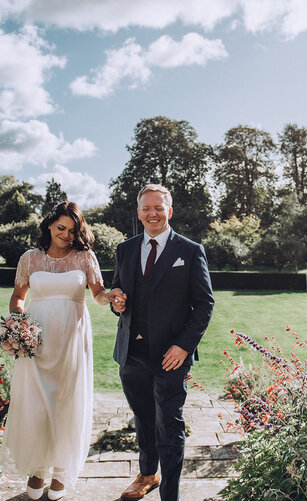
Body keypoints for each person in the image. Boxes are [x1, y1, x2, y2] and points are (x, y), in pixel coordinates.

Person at [0, 201, 125, 501]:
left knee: (66, 402)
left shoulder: (85, 257)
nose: (66, 235)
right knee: (35, 404)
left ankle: (61, 471)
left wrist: (112, 297)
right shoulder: (29, 258)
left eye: (72, 230)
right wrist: (18, 324)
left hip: (72, 338)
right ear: (49, 226)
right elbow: (18, 296)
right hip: (35, 340)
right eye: (61, 228)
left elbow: (97, 294)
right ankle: (37, 468)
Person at [110, 184, 214, 501]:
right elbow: (117, 291)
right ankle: (147, 475)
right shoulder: (125, 249)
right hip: (131, 353)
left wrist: (183, 346)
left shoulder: (190, 250)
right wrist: (117, 302)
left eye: (159, 207)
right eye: (146, 208)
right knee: (143, 419)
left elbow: (205, 305)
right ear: (139, 212)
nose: (152, 213)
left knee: (169, 426)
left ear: (170, 211)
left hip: (172, 356)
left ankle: (170, 494)